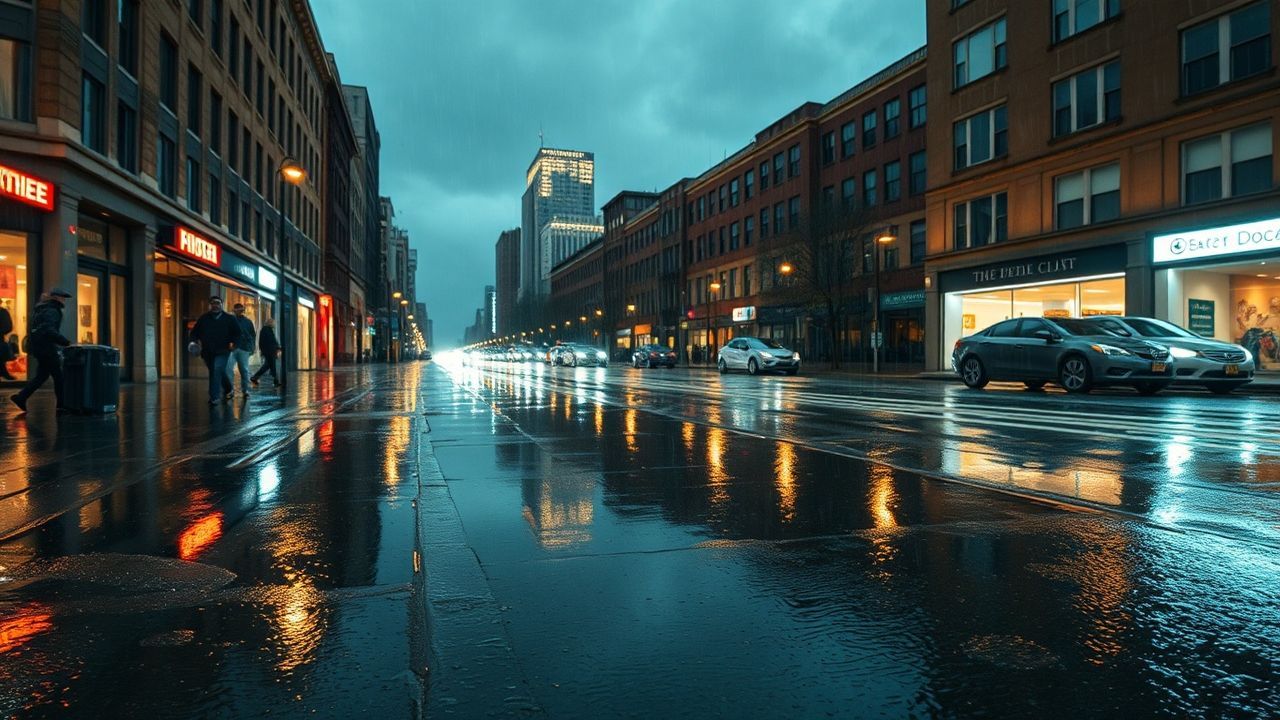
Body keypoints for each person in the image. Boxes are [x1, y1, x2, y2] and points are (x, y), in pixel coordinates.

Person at [10, 288, 73, 413]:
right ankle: (61, 405)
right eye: (62, 297)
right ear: (55, 297)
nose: (64, 300)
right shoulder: (52, 310)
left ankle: (21, 397)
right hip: (47, 348)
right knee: (58, 377)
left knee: (42, 376)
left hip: (39, 347)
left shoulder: (42, 309)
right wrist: (66, 342)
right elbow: (48, 330)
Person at [189, 296, 238, 405]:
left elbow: (237, 333)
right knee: (217, 371)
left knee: (216, 370)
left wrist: (233, 343)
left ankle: (214, 397)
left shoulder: (230, 319)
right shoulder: (204, 318)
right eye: (213, 303)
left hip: (223, 350)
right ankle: (229, 389)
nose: (215, 305)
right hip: (207, 351)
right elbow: (194, 333)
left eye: (217, 303)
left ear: (222, 304)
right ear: (210, 305)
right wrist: (193, 342)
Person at [227, 303, 256, 396]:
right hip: (233, 348)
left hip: (242, 348)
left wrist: (252, 347)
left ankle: (245, 390)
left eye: (241, 310)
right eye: (238, 310)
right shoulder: (230, 320)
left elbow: (252, 335)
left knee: (244, 370)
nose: (239, 311)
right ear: (234, 310)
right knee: (229, 370)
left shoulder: (247, 322)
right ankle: (231, 390)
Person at [251, 316, 281, 387]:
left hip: (269, 351)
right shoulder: (266, 330)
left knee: (267, 366)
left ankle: (254, 377)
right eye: (273, 323)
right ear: (270, 323)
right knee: (272, 366)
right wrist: (277, 348)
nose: (274, 324)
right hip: (269, 352)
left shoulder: (267, 330)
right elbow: (270, 342)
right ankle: (275, 380)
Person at [0, 301, 14, 380]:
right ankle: (4, 372)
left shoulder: (3, 312)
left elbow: (8, 326)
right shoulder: (3, 312)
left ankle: (4, 372)